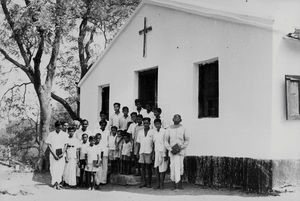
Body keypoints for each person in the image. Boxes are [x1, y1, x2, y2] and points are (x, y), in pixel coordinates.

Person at [165, 114, 189, 190]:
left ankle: (179, 185)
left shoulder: (183, 128)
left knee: (180, 167)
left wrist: (180, 147)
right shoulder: (168, 129)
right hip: (172, 152)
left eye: (178, 118)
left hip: (180, 152)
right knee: (172, 167)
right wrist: (170, 149)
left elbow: (187, 140)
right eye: (175, 117)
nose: (176, 119)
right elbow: (165, 141)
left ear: (180, 120)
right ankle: (173, 185)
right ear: (172, 119)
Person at [45, 121, 68, 190]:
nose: (59, 129)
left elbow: (66, 144)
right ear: (55, 127)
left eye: (60, 128)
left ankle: (58, 182)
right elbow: (49, 145)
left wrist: (63, 153)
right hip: (53, 154)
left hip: (61, 154)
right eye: (58, 128)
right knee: (53, 168)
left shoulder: (64, 134)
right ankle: (55, 182)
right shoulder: (51, 134)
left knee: (60, 169)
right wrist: (54, 155)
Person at [136, 117, 154, 188]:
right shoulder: (140, 132)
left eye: (147, 123)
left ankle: (149, 183)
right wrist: (137, 153)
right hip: (142, 151)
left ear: (149, 123)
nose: (145, 124)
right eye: (144, 123)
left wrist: (153, 153)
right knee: (142, 168)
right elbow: (138, 143)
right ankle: (143, 182)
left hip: (149, 152)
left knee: (148, 168)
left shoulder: (152, 132)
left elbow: (154, 143)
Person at [153, 119, 168, 189]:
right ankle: (158, 184)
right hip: (156, 152)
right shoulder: (154, 132)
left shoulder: (164, 131)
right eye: (156, 124)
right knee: (156, 168)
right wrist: (153, 153)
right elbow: (154, 143)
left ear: (160, 124)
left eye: (158, 123)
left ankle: (162, 184)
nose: (157, 125)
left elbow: (167, 143)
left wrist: (166, 154)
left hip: (163, 152)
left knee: (163, 169)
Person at [97, 120, 109, 185]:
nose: (103, 126)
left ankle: (103, 180)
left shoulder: (108, 132)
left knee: (105, 166)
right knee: (98, 166)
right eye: (102, 124)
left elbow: (109, 141)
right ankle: (97, 180)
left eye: (104, 125)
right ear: (100, 125)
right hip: (98, 150)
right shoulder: (97, 131)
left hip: (105, 151)